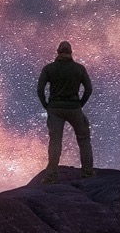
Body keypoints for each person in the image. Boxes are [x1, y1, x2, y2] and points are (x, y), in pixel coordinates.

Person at [35, 41, 93, 182]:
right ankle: (88, 172)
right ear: (71, 52)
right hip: (74, 108)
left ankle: (51, 176)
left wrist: (46, 106)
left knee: (55, 142)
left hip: (55, 109)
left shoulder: (49, 68)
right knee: (84, 140)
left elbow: (40, 89)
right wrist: (80, 104)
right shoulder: (79, 69)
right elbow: (89, 89)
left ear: (58, 51)